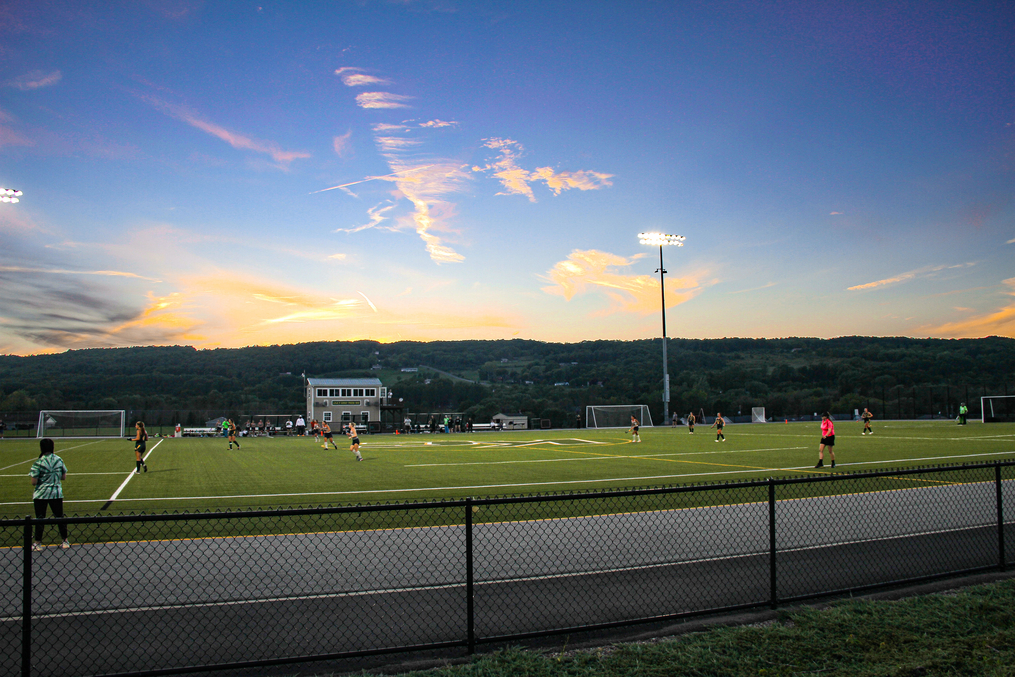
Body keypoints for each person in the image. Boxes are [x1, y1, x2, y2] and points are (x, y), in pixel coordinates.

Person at [29, 438, 70, 550]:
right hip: (56, 493)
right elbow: (63, 476)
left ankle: (38, 542)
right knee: (59, 517)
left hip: (41, 494)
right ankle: (65, 540)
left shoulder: (39, 462)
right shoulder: (58, 460)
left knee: (40, 518)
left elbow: (34, 481)